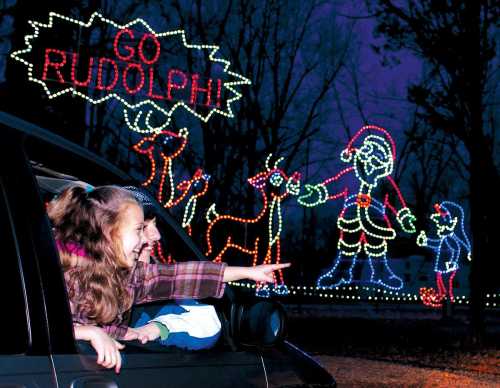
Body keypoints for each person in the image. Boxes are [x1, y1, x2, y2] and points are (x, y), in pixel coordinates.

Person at [47, 185, 289, 373]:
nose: (145, 239)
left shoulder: (129, 277)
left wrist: (247, 271)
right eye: (139, 229)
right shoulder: (66, 275)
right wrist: (88, 332)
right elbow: (38, 325)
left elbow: (178, 276)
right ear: (107, 232)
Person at [124, 186, 222, 351]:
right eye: (143, 227)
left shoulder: (157, 287)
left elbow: (208, 322)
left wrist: (157, 328)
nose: (157, 235)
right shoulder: (84, 281)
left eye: (155, 224)